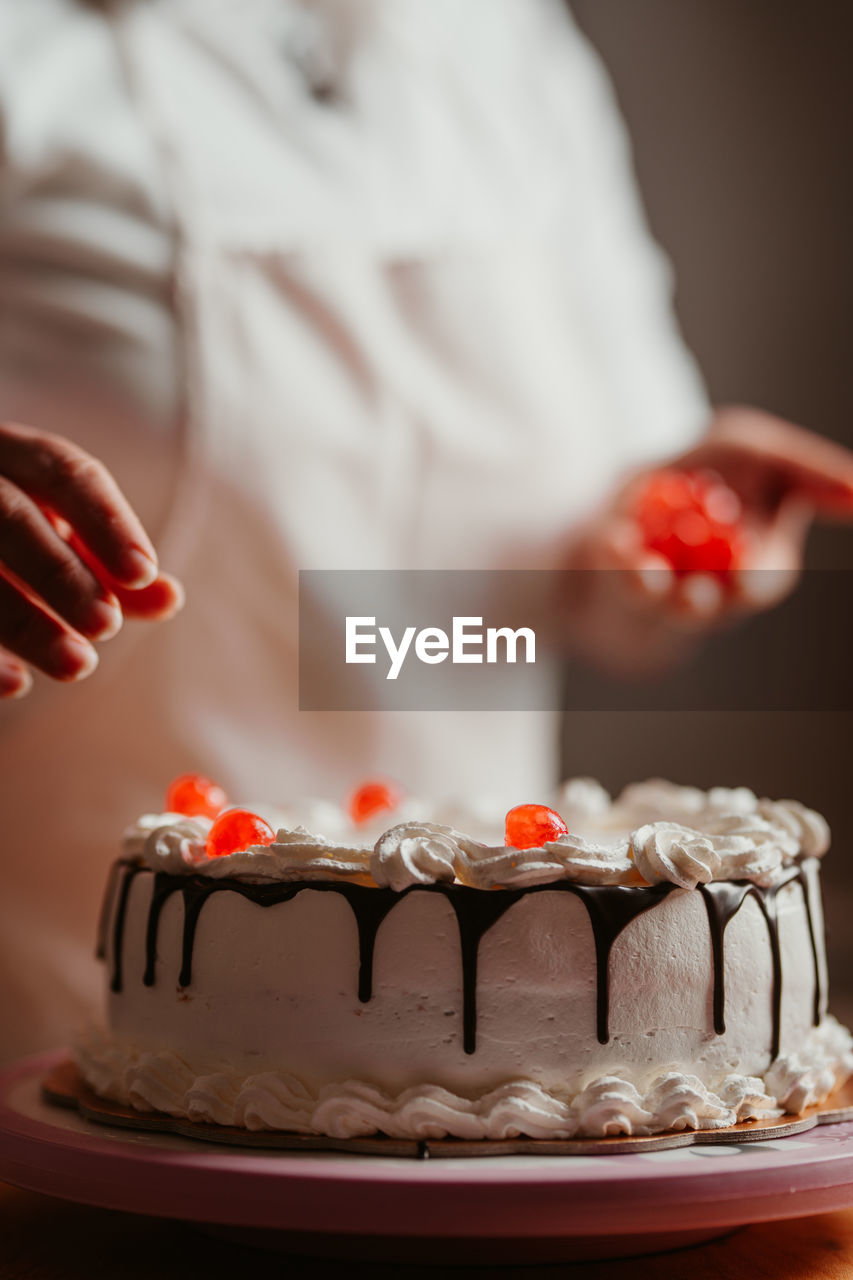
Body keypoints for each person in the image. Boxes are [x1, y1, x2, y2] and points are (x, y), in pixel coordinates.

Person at [1, 0, 852, 1064]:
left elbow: (600, 588)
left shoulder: (511, 47)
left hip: (517, 1040)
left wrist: (670, 550)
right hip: (64, 1031)